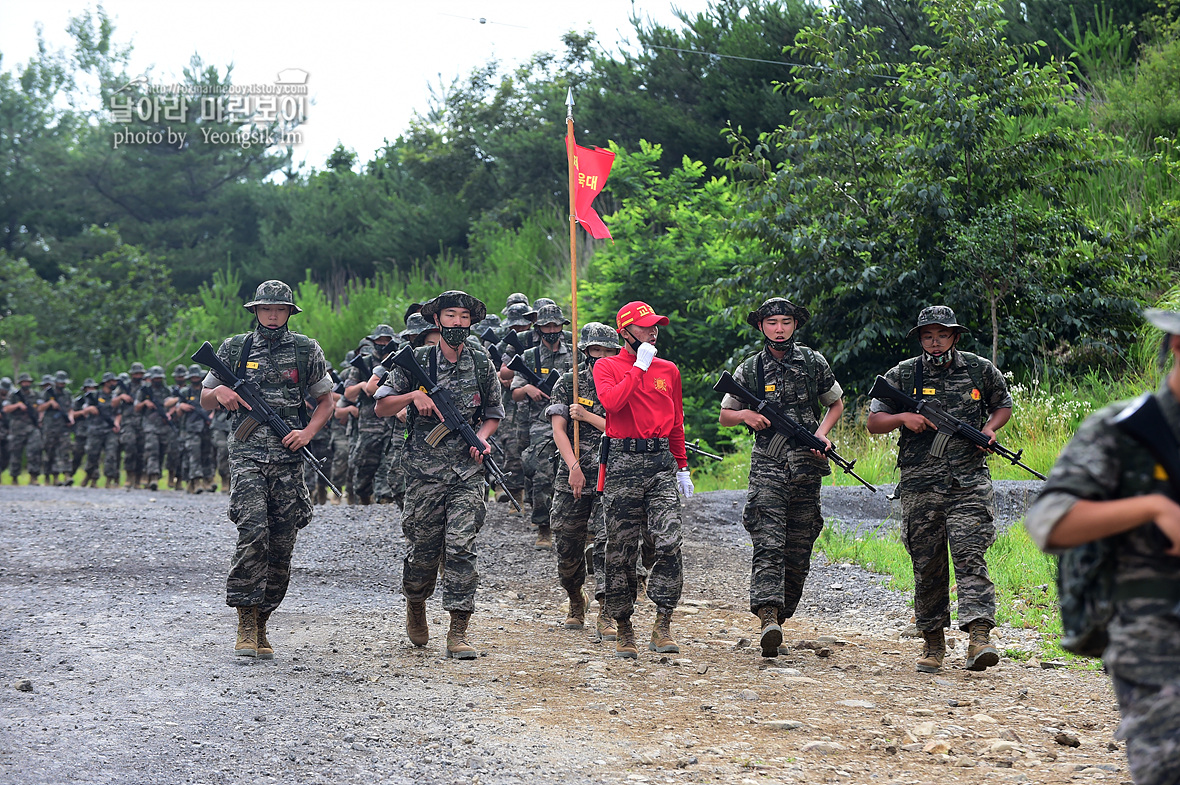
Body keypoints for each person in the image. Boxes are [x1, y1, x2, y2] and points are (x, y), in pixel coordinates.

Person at [1024, 307, 1180, 785]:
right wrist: (1151, 508)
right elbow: (1048, 523)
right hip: (1156, 635)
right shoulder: (1126, 430)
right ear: (1177, 347)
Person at [866, 305, 1013, 673]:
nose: (935, 342)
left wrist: (990, 431)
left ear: (955, 336)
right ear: (920, 338)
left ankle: (979, 637)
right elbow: (873, 421)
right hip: (919, 485)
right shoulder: (902, 374)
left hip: (968, 481)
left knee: (970, 555)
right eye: (928, 335)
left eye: (942, 335)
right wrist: (904, 418)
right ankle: (933, 643)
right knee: (927, 564)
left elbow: (1003, 405)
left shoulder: (979, 369)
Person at [200, 280, 333, 659]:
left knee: (282, 543)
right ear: (255, 311)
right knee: (253, 530)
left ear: (290, 312)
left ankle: (263, 620)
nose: (272, 316)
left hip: (289, 457)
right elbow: (205, 397)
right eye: (266, 309)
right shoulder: (235, 348)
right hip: (248, 454)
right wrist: (220, 393)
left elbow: (326, 402)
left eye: (280, 309)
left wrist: (307, 433)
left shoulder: (307, 349)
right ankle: (244, 619)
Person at [374, 290, 503, 660]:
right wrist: (412, 397)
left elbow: (494, 411)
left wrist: (481, 437)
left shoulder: (481, 360)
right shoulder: (416, 360)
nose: (458, 323)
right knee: (423, 553)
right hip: (423, 473)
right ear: (437, 320)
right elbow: (381, 405)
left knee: (461, 547)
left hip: (467, 471)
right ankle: (416, 602)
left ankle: (458, 630)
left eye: (465, 317)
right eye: (451, 315)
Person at [718, 298, 846, 658]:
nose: (779, 328)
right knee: (768, 541)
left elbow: (835, 403)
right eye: (772, 322)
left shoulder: (812, 362)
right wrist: (746, 415)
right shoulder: (751, 369)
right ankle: (768, 616)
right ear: (761, 326)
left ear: (794, 325)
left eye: (785, 322)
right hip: (768, 467)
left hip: (807, 466)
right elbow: (724, 415)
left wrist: (822, 434)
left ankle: (781, 616)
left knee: (799, 546)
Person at [593, 300, 694, 658]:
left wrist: (682, 466)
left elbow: (677, 420)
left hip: (660, 462)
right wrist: (638, 367)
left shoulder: (669, 370)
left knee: (669, 541)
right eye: (647, 326)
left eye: (656, 326)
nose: (654, 331)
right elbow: (612, 404)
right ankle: (623, 625)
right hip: (622, 462)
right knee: (620, 549)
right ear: (626, 333)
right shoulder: (606, 365)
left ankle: (663, 622)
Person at [548, 321, 621, 639]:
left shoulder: (625, 381)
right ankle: (576, 599)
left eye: (608, 351)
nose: (602, 356)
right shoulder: (569, 382)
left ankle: (607, 610)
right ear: (585, 351)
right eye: (596, 350)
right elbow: (558, 428)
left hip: (614, 472)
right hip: (573, 472)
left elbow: (623, 428)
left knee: (610, 545)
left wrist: (589, 416)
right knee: (566, 543)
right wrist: (573, 466)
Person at [512, 303, 575, 549]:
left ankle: (582, 528)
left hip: (572, 420)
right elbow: (514, 391)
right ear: (538, 328)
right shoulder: (530, 357)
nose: (551, 329)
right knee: (541, 476)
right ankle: (544, 527)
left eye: (555, 325)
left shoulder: (574, 354)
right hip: (541, 423)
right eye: (547, 325)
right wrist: (528, 389)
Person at [344, 324, 397, 505]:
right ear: (373, 342)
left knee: (388, 465)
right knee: (365, 467)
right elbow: (348, 393)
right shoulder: (363, 363)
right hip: (368, 426)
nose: (382, 344)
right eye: (379, 340)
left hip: (391, 424)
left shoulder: (396, 361)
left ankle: (385, 500)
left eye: (386, 340)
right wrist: (364, 386)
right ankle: (364, 499)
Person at [175, 364, 213, 493]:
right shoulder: (185, 392)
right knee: (193, 454)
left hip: (207, 427)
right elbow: (177, 413)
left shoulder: (207, 390)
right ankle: (195, 481)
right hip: (191, 428)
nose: (195, 378)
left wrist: (211, 416)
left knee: (207, 454)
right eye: (193, 376)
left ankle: (208, 480)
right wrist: (181, 407)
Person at [80, 372, 122, 488]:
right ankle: (89, 476)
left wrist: (116, 423)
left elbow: (119, 413)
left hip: (110, 430)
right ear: (107, 382)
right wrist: (90, 408)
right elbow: (84, 409)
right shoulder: (95, 396)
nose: (115, 383)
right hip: (95, 429)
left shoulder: (114, 397)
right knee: (92, 454)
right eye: (113, 381)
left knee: (111, 455)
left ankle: (109, 480)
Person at [135, 365, 172, 491]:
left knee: (162, 451)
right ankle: (153, 476)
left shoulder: (166, 390)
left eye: (159, 378)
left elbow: (173, 403)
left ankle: (156, 474)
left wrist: (169, 413)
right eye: (155, 378)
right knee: (152, 450)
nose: (157, 380)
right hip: (149, 425)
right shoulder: (144, 390)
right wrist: (145, 403)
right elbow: (136, 407)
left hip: (163, 425)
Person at [4, 372, 43, 484]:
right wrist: (17, 405)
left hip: (32, 426)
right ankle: (14, 477)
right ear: (20, 383)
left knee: (34, 450)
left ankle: (34, 477)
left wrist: (40, 418)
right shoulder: (13, 395)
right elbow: (6, 409)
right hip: (17, 427)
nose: (26, 384)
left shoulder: (36, 395)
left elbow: (41, 408)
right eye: (24, 382)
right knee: (16, 452)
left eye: (28, 382)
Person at [116, 362, 147, 489]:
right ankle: (129, 476)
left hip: (143, 422)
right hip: (128, 422)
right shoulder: (124, 386)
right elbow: (113, 403)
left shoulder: (146, 387)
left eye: (140, 373)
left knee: (141, 451)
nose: (138, 375)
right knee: (129, 448)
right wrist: (121, 397)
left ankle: (138, 478)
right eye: (136, 373)